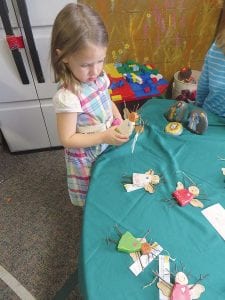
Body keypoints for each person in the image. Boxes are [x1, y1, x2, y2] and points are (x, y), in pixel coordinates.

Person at [50, 3, 129, 207]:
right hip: (86, 155)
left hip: (105, 142)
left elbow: (107, 100)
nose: (95, 71)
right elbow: (67, 139)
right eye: (85, 65)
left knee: (107, 179)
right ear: (64, 56)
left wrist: (118, 118)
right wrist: (103, 136)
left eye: (100, 61)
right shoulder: (68, 97)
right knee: (92, 193)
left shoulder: (99, 77)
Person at [196, 11, 225, 117]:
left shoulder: (216, 48)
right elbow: (203, 86)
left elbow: (203, 88)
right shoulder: (216, 48)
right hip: (209, 116)